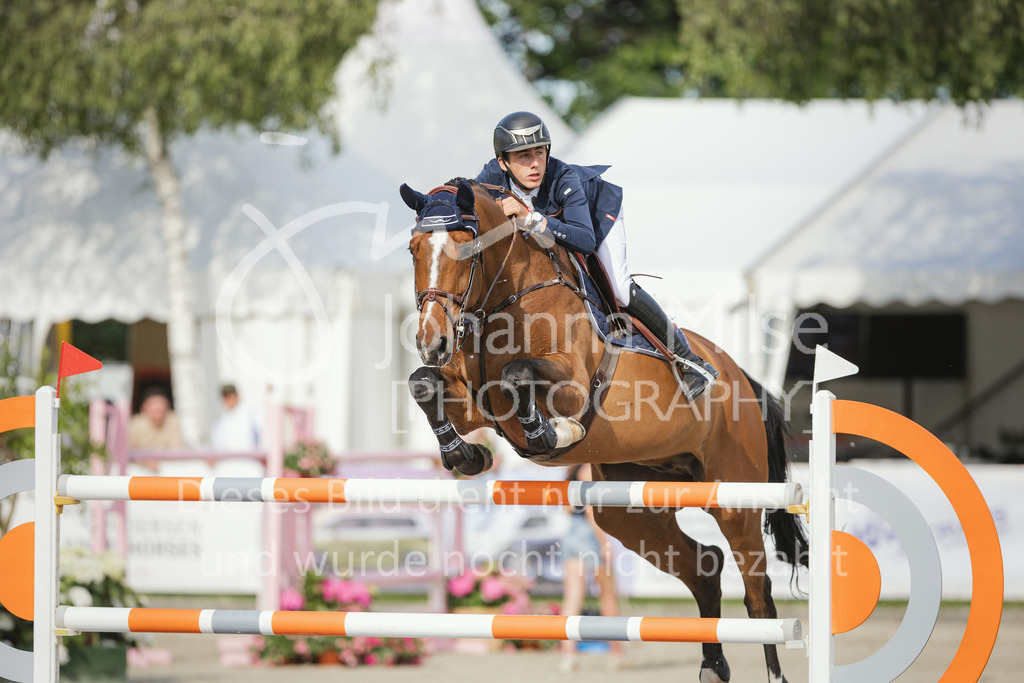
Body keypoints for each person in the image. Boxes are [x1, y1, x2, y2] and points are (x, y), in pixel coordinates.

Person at [476, 111, 718, 400]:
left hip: (595, 219)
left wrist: (530, 218)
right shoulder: (489, 178)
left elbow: (585, 240)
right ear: (503, 162)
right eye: (523, 156)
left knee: (619, 288)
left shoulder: (563, 177)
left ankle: (690, 360)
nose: (535, 163)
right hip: (554, 227)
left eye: (540, 152)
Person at [558, 463, 625, 672]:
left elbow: (568, 509)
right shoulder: (589, 468)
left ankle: (568, 656)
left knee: (573, 597)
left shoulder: (572, 470)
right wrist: (604, 543)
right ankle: (616, 654)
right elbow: (591, 510)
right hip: (589, 534)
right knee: (607, 594)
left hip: (571, 534)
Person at [128, 387, 183, 471]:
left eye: (160, 404)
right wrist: (144, 463)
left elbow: (178, 450)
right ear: (143, 408)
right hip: (140, 470)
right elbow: (126, 453)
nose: (157, 407)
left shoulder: (174, 420)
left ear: (167, 407)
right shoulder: (136, 424)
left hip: (169, 468)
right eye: (153, 404)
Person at [210, 383, 261, 451]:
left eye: (231, 396)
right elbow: (216, 446)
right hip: (228, 460)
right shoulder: (220, 423)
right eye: (226, 396)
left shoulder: (251, 415)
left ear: (237, 395)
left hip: (249, 460)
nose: (229, 399)